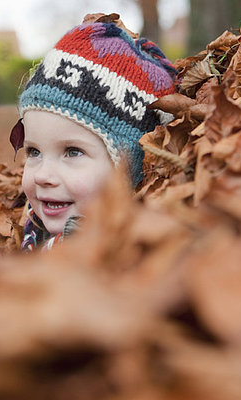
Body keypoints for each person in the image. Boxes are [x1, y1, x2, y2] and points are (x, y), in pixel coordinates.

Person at [10, 16, 178, 252]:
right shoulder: (34, 239)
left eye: (72, 151)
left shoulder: (130, 258)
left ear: (134, 167)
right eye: (34, 151)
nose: (42, 176)